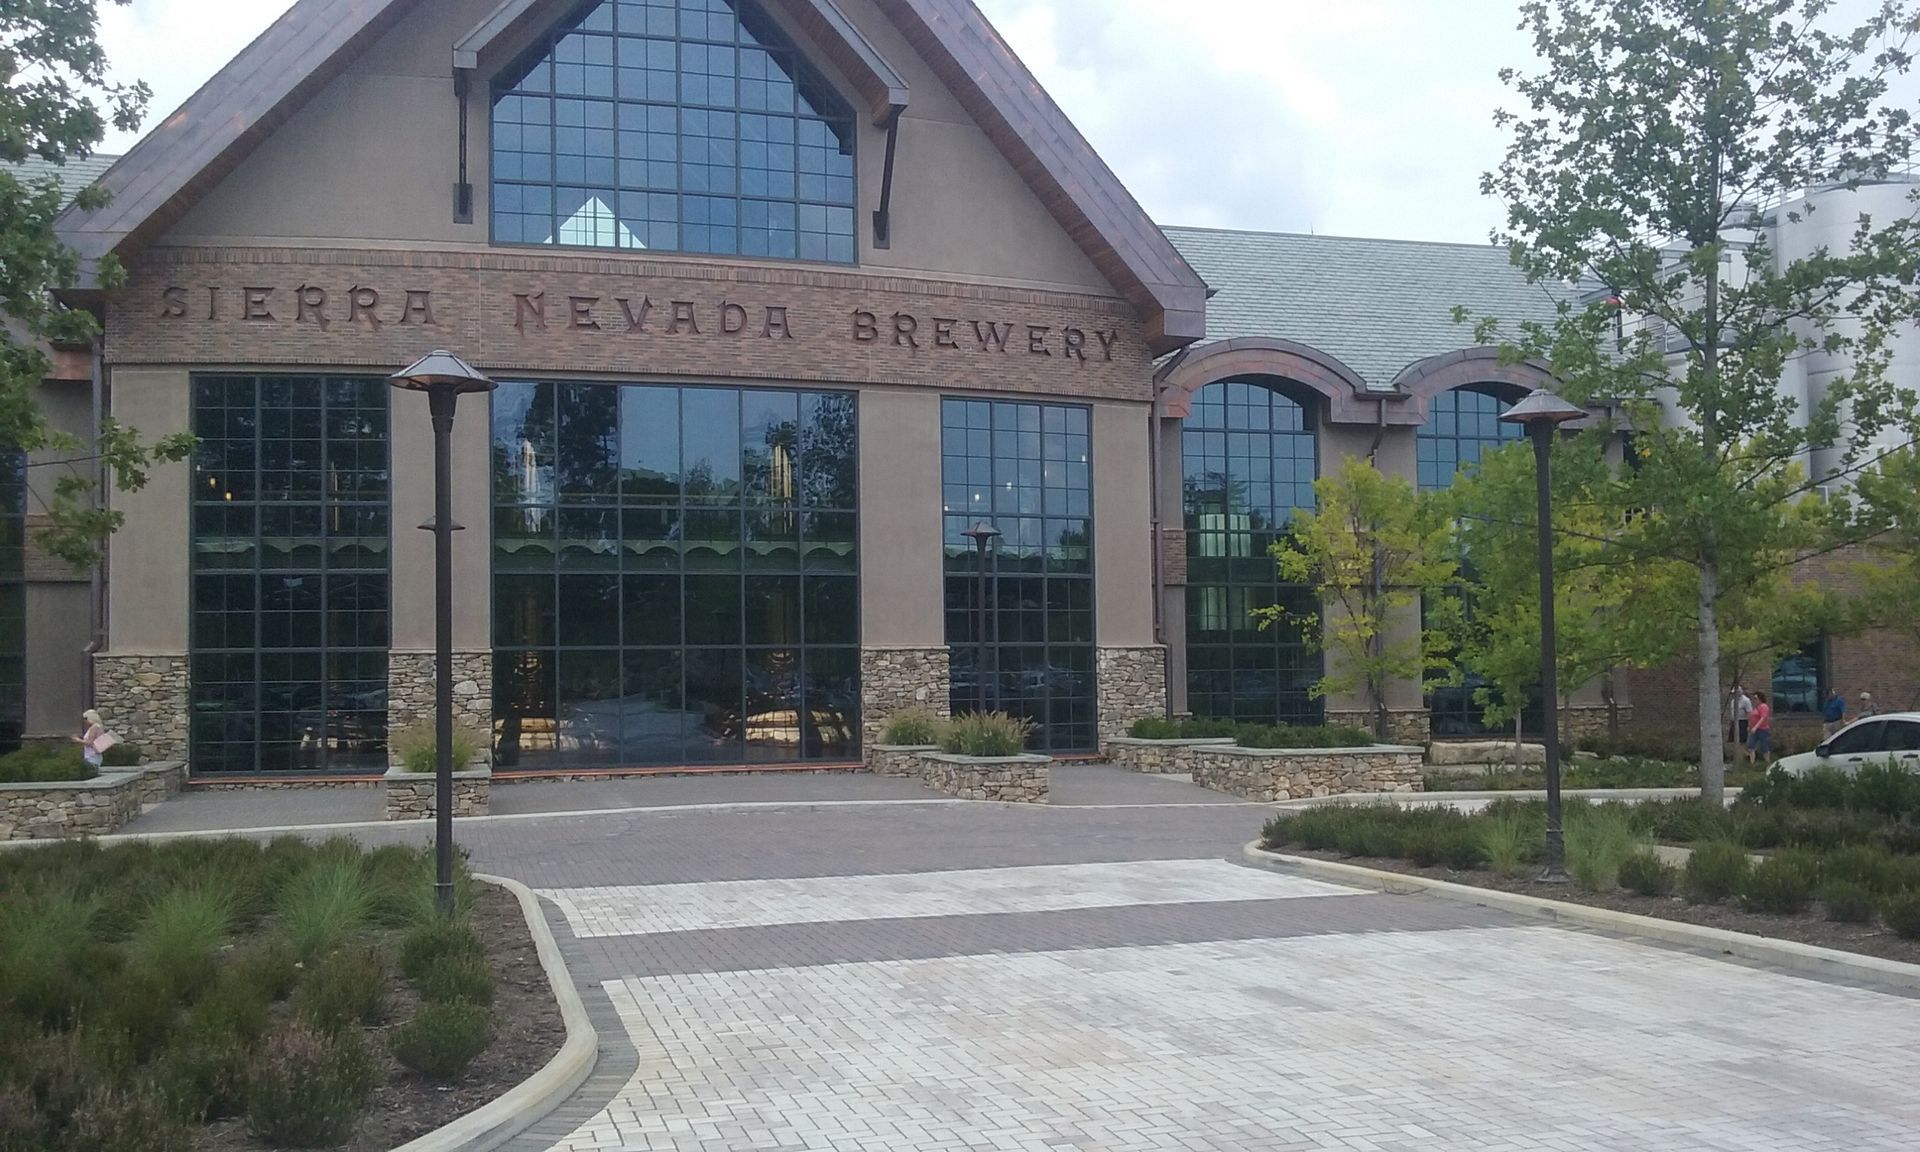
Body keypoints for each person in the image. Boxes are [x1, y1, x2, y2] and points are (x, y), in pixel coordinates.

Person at [1747, 691, 1773, 766]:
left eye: (1756, 698)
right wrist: (1749, 726)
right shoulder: (1756, 707)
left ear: (1760, 698)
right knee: (1751, 745)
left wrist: (1756, 727)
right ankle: (1752, 763)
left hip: (1763, 729)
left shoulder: (1764, 706)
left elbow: (1763, 718)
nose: (1754, 700)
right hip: (1754, 730)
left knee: (1764, 746)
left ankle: (1768, 763)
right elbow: (1751, 717)